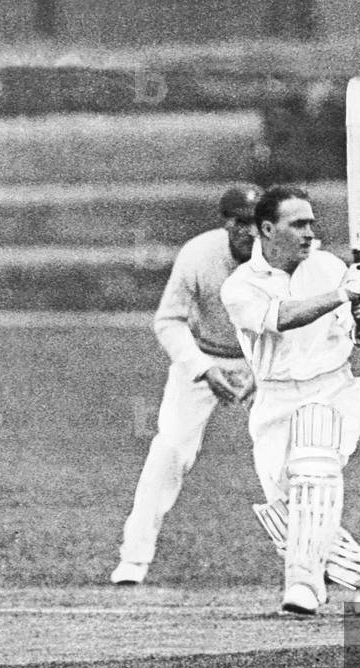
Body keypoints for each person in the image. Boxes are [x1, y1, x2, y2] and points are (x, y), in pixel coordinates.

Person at [219, 184, 360, 614]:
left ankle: (304, 582)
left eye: (311, 222)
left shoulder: (329, 266)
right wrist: (342, 295)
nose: (309, 232)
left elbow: (353, 332)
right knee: (289, 509)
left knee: (314, 472)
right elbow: (281, 319)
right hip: (275, 399)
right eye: (298, 224)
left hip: (331, 390)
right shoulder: (240, 286)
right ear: (268, 229)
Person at [110, 185, 262, 584]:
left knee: (291, 458)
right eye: (239, 223)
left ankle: (317, 561)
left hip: (264, 362)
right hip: (204, 356)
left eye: (255, 223)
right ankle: (134, 558)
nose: (249, 233)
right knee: (171, 448)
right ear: (226, 223)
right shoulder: (198, 253)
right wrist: (203, 368)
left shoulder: (280, 258)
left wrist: (258, 372)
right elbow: (168, 320)